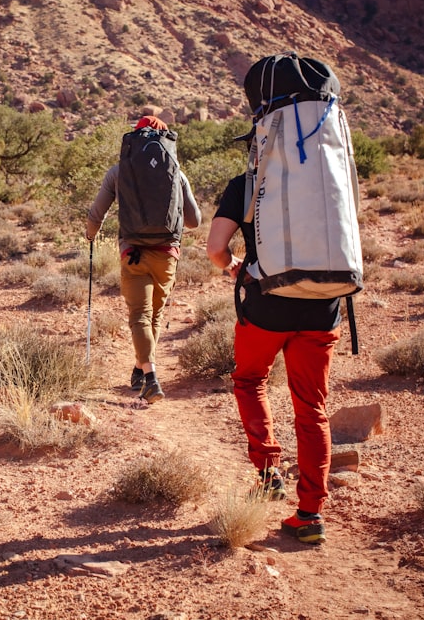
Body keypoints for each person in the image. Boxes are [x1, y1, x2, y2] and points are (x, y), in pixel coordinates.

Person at [205, 161, 341, 545]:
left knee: (249, 381)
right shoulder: (329, 175)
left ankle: (268, 475)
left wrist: (233, 265)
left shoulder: (246, 183)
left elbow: (216, 248)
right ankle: (311, 514)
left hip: (266, 307)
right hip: (322, 305)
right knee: (312, 406)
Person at [85, 116, 201, 404]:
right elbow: (195, 221)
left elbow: (96, 212)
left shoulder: (119, 171)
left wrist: (90, 235)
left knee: (139, 315)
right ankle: (141, 369)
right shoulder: (176, 171)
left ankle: (148, 375)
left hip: (133, 252)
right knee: (155, 316)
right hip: (167, 255)